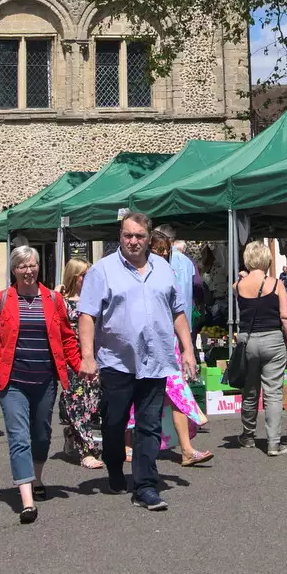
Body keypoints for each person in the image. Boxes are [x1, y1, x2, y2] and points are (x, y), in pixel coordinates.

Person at [78, 211, 197, 512]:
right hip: (116, 362)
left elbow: (178, 312)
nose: (133, 241)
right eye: (128, 235)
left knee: (149, 425)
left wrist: (188, 350)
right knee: (114, 423)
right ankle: (115, 467)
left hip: (156, 360)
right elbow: (87, 315)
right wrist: (88, 356)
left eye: (139, 236)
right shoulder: (102, 270)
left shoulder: (163, 269)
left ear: (148, 238)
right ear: (120, 235)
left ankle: (146, 486)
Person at [0, 245, 80, 524]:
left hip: (45, 380)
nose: (28, 270)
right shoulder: (1, 300)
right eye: (22, 266)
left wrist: (80, 365)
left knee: (42, 435)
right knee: (19, 437)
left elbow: (68, 337)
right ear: (14, 270)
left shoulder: (53, 299)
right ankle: (27, 501)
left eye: (32, 265)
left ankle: (37, 477)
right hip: (12, 381)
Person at [150, 231, 214, 467]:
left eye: (166, 249)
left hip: (168, 345)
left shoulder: (169, 275)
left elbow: (177, 313)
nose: (164, 254)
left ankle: (187, 449)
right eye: (158, 249)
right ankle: (128, 446)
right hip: (142, 349)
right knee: (140, 397)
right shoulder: (135, 275)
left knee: (176, 391)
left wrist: (187, 349)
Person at [235, 240, 287, 456]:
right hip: (273, 340)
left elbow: (239, 292)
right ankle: (273, 443)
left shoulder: (238, 286)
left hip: (247, 341)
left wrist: (243, 276)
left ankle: (248, 436)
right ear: (266, 259)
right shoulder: (277, 284)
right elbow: (285, 316)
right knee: (273, 393)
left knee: (250, 391)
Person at [58, 258, 104, 470]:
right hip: (71, 359)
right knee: (78, 403)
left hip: (94, 357)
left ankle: (74, 434)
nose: (88, 278)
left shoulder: (95, 299)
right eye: (83, 274)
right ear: (74, 276)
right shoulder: (61, 301)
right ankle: (86, 451)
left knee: (94, 403)